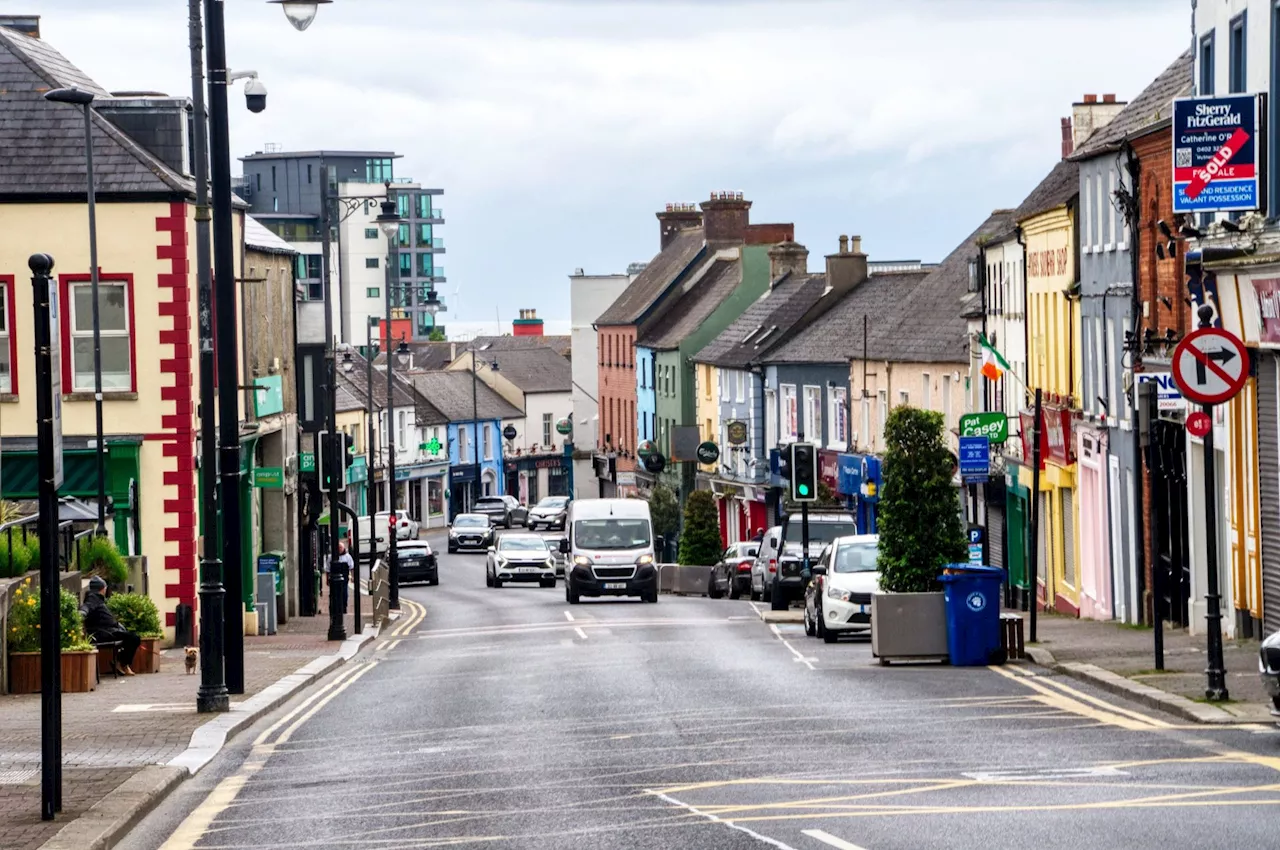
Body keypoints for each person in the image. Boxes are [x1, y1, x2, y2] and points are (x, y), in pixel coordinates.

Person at [82, 576, 140, 676]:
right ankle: (122, 664)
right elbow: (86, 607)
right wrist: (81, 613)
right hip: (101, 633)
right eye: (105, 587)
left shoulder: (97, 599)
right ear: (102, 588)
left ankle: (120, 663)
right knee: (134, 638)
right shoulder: (93, 599)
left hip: (107, 631)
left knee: (131, 637)